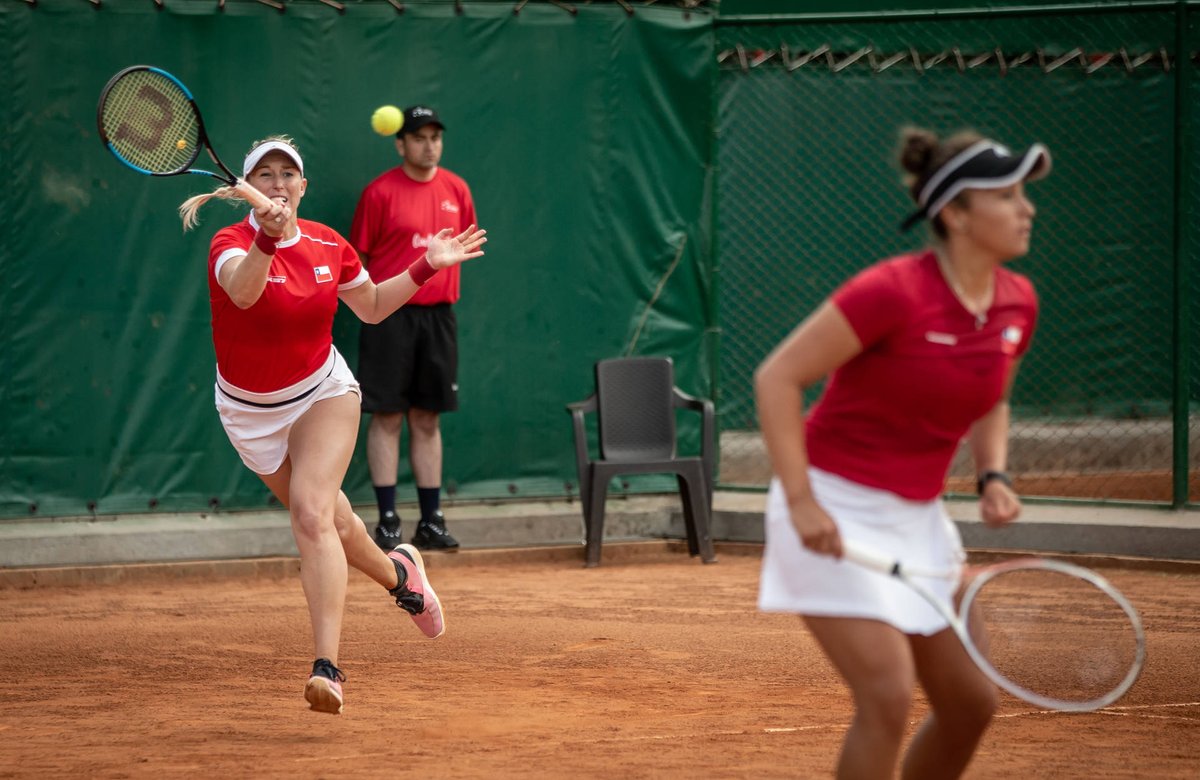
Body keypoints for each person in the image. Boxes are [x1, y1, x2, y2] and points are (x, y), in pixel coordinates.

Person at [754, 127, 1049, 778]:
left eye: (1025, 194)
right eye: (1007, 195)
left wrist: (992, 473)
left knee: (971, 704)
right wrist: (801, 501)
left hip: (917, 519)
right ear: (956, 214)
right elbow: (776, 377)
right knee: (886, 697)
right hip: (830, 504)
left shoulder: (1017, 302)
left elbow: (992, 394)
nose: (1027, 209)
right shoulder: (892, 291)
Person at [183, 135, 487, 715]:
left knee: (310, 513)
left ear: (302, 187)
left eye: (287, 175)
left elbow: (371, 306)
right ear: (246, 190)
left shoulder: (328, 244)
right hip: (249, 413)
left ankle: (328, 666)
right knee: (340, 525)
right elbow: (244, 294)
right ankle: (402, 576)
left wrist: (426, 265)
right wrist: (267, 242)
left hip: (324, 391)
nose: (277, 184)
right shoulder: (229, 243)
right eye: (265, 175)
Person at [350, 105, 476, 553]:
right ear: (400, 143)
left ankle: (431, 521)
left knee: (427, 418)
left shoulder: (457, 189)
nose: (429, 145)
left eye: (435, 137)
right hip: (389, 316)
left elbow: (461, 248)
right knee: (386, 417)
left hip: (438, 317)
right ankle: (386, 521)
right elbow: (360, 261)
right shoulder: (379, 193)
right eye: (418, 137)